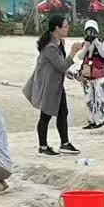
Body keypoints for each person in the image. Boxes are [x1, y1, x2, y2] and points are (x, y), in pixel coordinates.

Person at [22, 15, 79, 157]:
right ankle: (43, 147)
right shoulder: (50, 46)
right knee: (45, 116)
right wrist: (73, 52)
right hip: (48, 86)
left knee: (63, 112)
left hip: (57, 84)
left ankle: (65, 144)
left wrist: (70, 73)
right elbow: (61, 65)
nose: (68, 28)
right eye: (65, 26)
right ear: (57, 28)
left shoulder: (59, 42)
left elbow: (59, 65)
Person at [75, 19, 104, 130]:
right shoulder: (85, 43)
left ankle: (101, 119)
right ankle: (91, 120)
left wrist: (97, 44)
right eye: (88, 31)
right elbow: (80, 56)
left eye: (92, 31)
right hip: (87, 73)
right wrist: (86, 47)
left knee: (100, 97)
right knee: (89, 98)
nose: (90, 33)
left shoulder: (103, 42)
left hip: (99, 72)